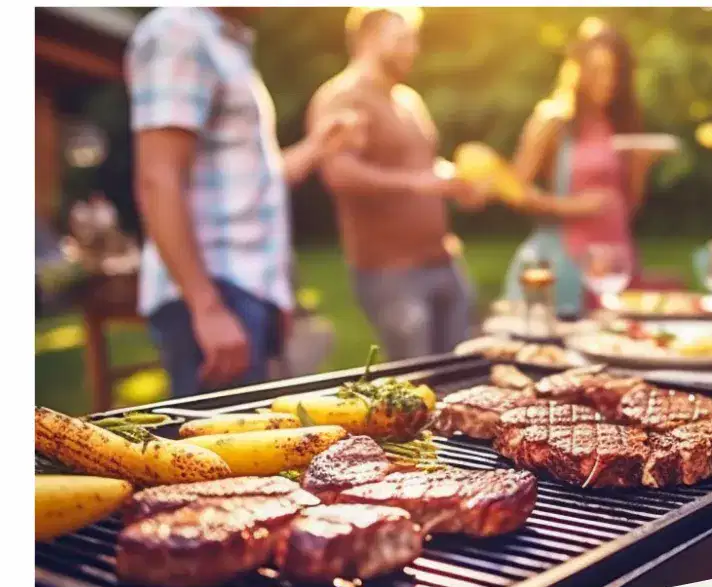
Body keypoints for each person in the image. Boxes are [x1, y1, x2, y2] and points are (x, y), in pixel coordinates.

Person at [127, 7, 355, 397]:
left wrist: (317, 147)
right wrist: (207, 307)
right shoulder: (178, 33)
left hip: (247, 290)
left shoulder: (226, 45)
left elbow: (255, 184)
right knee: (213, 434)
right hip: (215, 291)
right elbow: (158, 178)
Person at [307, 7, 486, 361]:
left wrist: (455, 181)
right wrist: (418, 184)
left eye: (413, 40)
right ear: (368, 38)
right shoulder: (343, 97)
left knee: (460, 370)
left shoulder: (408, 99)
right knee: (414, 378)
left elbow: (422, 166)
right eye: (402, 39)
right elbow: (339, 172)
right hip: (391, 271)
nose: (413, 49)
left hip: (443, 259)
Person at [501, 18, 670, 315]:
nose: (607, 81)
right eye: (597, 71)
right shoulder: (553, 121)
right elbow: (513, 192)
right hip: (563, 264)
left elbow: (627, 207)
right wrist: (575, 206)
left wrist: (640, 167)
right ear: (576, 70)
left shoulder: (619, 123)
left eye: (614, 72)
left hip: (616, 264)